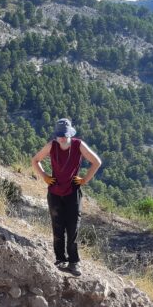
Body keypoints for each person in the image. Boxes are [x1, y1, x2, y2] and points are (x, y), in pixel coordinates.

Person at [31, 118, 102, 276]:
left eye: (65, 135)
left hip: (72, 192)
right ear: (56, 135)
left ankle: (74, 262)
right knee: (57, 227)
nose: (62, 138)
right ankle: (60, 258)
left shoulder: (78, 145)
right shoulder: (52, 145)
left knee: (72, 228)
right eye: (59, 135)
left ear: (70, 133)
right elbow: (35, 160)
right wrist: (44, 176)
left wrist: (84, 180)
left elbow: (96, 162)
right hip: (55, 192)